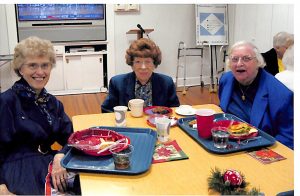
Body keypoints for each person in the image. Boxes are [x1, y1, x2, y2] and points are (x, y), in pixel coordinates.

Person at [0, 36, 80, 195]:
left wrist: (61, 155)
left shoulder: (52, 103)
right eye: (32, 65)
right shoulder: (6, 101)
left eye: (45, 65)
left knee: (90, 184)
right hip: (19, 171)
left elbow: (72, 137)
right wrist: (1, 188)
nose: (40, 72)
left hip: (48, 163)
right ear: (20, 69)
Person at [218, 41, 293, 149]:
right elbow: (223, 111)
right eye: (234, 59)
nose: (239, 63)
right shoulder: (226, 80)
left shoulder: (281, 95)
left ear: (258, 62)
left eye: (246, 58)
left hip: (260, 148)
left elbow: (289, 138)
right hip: (229, 142)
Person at [101, 38, 180, 112]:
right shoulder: (117, 83)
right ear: (132, 64)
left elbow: (174, 109)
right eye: (138, 62)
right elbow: (106, 110)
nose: (143, 67)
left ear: (154, 63)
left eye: (148, 61)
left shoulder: (167, 82)